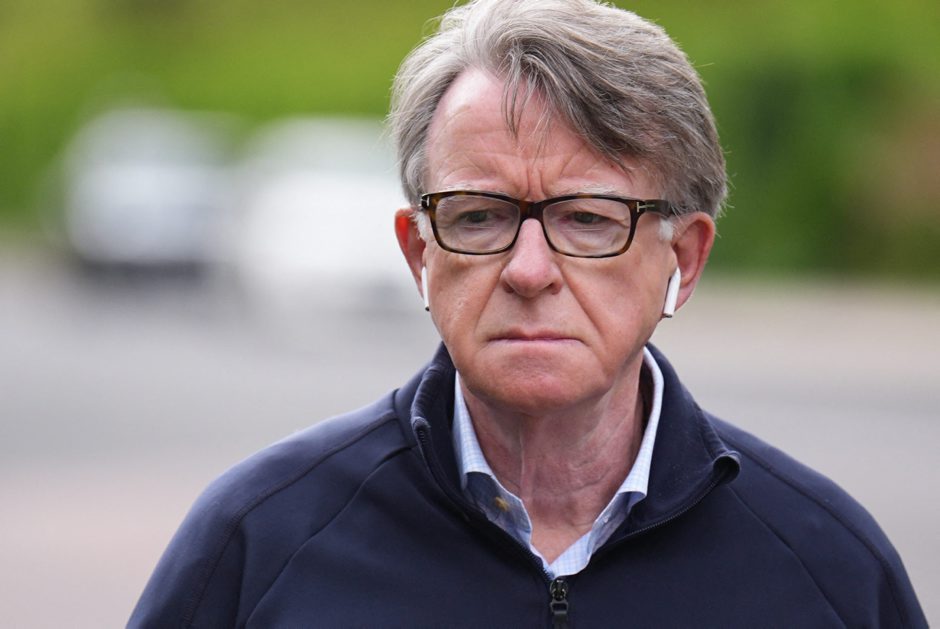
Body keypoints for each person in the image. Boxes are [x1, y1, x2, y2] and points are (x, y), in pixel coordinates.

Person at [129, 1, 926, 626]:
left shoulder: (828, 570)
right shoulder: (259, 543)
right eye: (479, 216)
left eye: (588, 219)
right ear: (418, 252)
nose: (529, 270)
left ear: (683, 259)